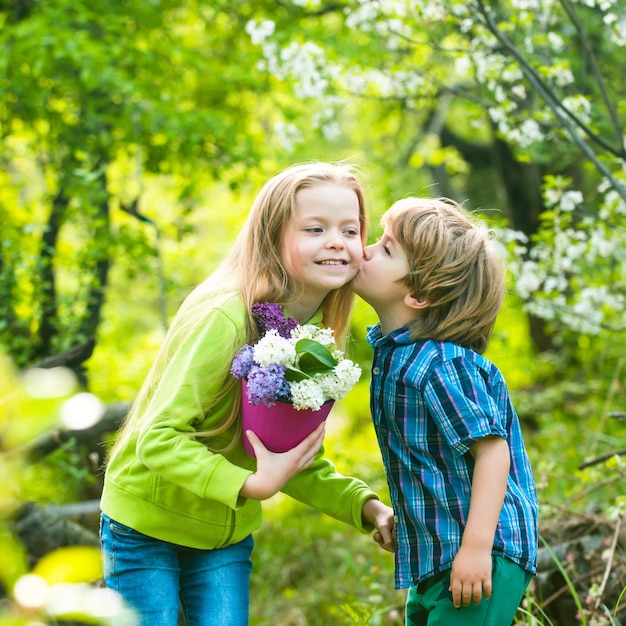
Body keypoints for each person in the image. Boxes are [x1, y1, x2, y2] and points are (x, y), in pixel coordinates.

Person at [99, 162, 395, 626]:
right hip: (146, 524)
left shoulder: (315, 340)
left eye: (351, 229)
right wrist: (250, 484)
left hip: (223, 536)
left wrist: (365, 506)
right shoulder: (225, 317)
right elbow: (155, 439)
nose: (337, 241)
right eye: (315, 229)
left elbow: (284, 457)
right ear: (272, 237)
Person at [352, 197, 538, 625]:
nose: (365, 249)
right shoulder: (399, 356)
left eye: (385, 249)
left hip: (480, 550)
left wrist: (475, 548)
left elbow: (493, 454)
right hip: (441, 550)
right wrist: (416, 518)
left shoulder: (440, 365)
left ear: (417, 294)